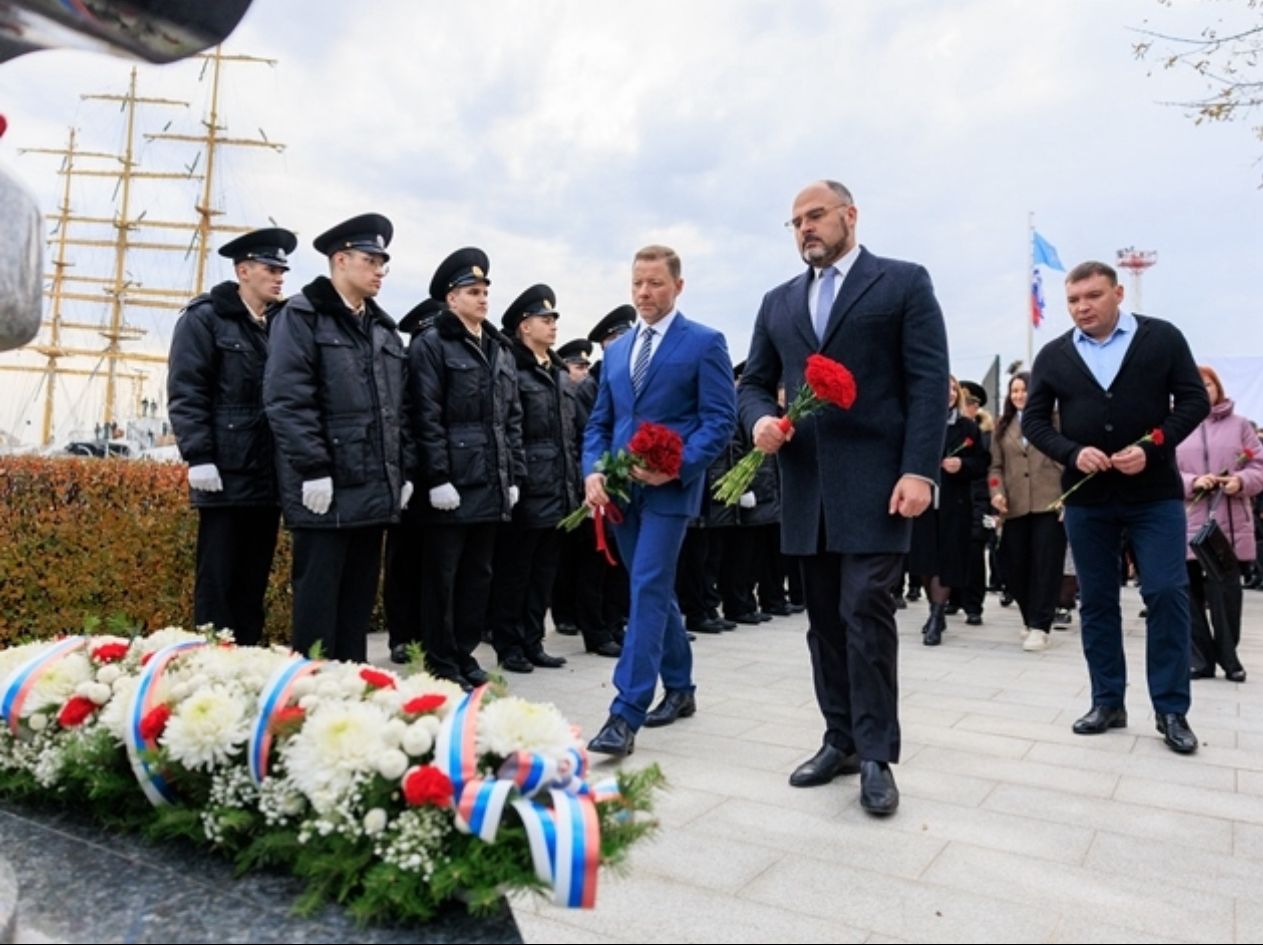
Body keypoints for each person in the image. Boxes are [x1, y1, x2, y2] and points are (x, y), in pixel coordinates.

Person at [738, 179, 948, 816]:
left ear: (850, 215)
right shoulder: (778, 302)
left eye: (816, 215)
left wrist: (919, 471)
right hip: (808, 488)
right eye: (796, 221)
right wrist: (759, 421)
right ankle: (841, 739)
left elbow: (927, 382)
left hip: (880, 486)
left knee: (866, 611)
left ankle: (877, 754)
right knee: (824, 620)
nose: (805, 227)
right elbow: (754, 382)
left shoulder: (902, 283)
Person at [1023, 260, 1209, 755]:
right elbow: (1033, 422)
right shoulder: (1055, 355)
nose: (1082, 307)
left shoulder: (1161, 338)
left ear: (1118, 293)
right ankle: (1107, 701)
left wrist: (1153, 445)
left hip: (1154, 495)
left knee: (1166, 592)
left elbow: (1194, 401)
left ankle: (1171, 709)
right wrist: (1070, 452)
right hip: (1088, 500)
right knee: (1098, 600)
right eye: (1073, 300)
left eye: (1093, 296)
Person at [584, 245, 737, 757]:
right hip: (622, 492)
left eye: (655, 283)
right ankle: (681, 686)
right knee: (650, 585)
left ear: (678, 286)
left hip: (671, 490)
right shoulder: (617, 351)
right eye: (637, 283)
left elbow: (719, 421)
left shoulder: (705, 343)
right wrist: (593, 470)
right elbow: (601, 422)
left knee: (647, 584)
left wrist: (677, 465)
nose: (644, 293)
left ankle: (625, 712)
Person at [263, 213, 413, 662]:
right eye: (371, 260)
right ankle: (310, 689)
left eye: (383, 263)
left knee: (357, 604)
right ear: (341, 260)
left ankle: (352, 687)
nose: (380, 270)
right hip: (325, 486)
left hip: (372, 486)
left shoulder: (383, 328)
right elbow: (288, 399)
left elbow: (398, 410)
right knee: (318, 602)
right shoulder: (301, 316)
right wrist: (313, 468)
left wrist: (402, 472)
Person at [168, 227, 295, 645]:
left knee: (253, 580)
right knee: (217, 579)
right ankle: (212, 659)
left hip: (268, 472)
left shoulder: (281, 324)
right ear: (243, 271)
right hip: (224, 470)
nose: (279, 277)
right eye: (270, 269)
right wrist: (198, 455)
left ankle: (247, 658)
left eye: (282, 270)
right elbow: (187, 390)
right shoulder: (204, 318)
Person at [409, 248, 525, 689]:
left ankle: (464, 652)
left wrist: (512, 475)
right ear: (451, 299)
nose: (482, 299)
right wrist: (437, 477)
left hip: (489, 482)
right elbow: (426, 415)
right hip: (452, 483)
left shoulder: (498, 348)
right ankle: (440, 660)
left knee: (478, 575)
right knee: (443, 576)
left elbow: (510, 419)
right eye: (472, 292)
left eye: (484, 291)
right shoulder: (432, 344)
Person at [488, 284, 580, 673]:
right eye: (545, 319)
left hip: (557, 487)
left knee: (543, 573)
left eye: (554, 318)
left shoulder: (557, 373)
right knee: (515, 572)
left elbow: (569, 436)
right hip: (528, 486)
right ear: (525, 327)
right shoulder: (512, 367)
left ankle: (532, 640)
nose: (553, 324)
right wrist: (515, 479)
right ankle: (509, 645)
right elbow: (509, 428)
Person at [1177, 365, 1263, 682]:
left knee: (1226, 592)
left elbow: (1258, 466)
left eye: (1209, 385)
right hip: (1187, 520)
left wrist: (1241, 481)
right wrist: (1192, 481)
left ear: (1218, 388)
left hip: (1228, 523)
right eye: (1196, 385)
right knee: (1188, 592)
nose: (1204, 390)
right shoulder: (1175, 426)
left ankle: (1229, 657)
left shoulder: (1240, 426)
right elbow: (1164, 472)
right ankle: (1200, 659)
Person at [988, 371, 1066, 652]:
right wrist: (996, 492)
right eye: (1015, 391)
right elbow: (995, 468)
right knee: (1014, 565)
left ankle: (1040, 626)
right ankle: (1028, 616)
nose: (1019, 395)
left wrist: (1068, 498)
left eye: (1025, 390)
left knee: (1046, 565)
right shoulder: (1002, 426)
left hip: (1050, 502)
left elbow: (1068, 460)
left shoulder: (1057, 422)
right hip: (1014, 505)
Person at [909, 376, 986, 646]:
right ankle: (935, 611)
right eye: (945, 387)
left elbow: (981, 462)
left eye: (954, 389)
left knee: (947, 561)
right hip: (924, 505)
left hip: (955, 506)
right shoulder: (920, 422)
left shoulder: (967, 427)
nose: (950, 393)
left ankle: (936, 617)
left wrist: (962, 465)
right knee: (925, 561)